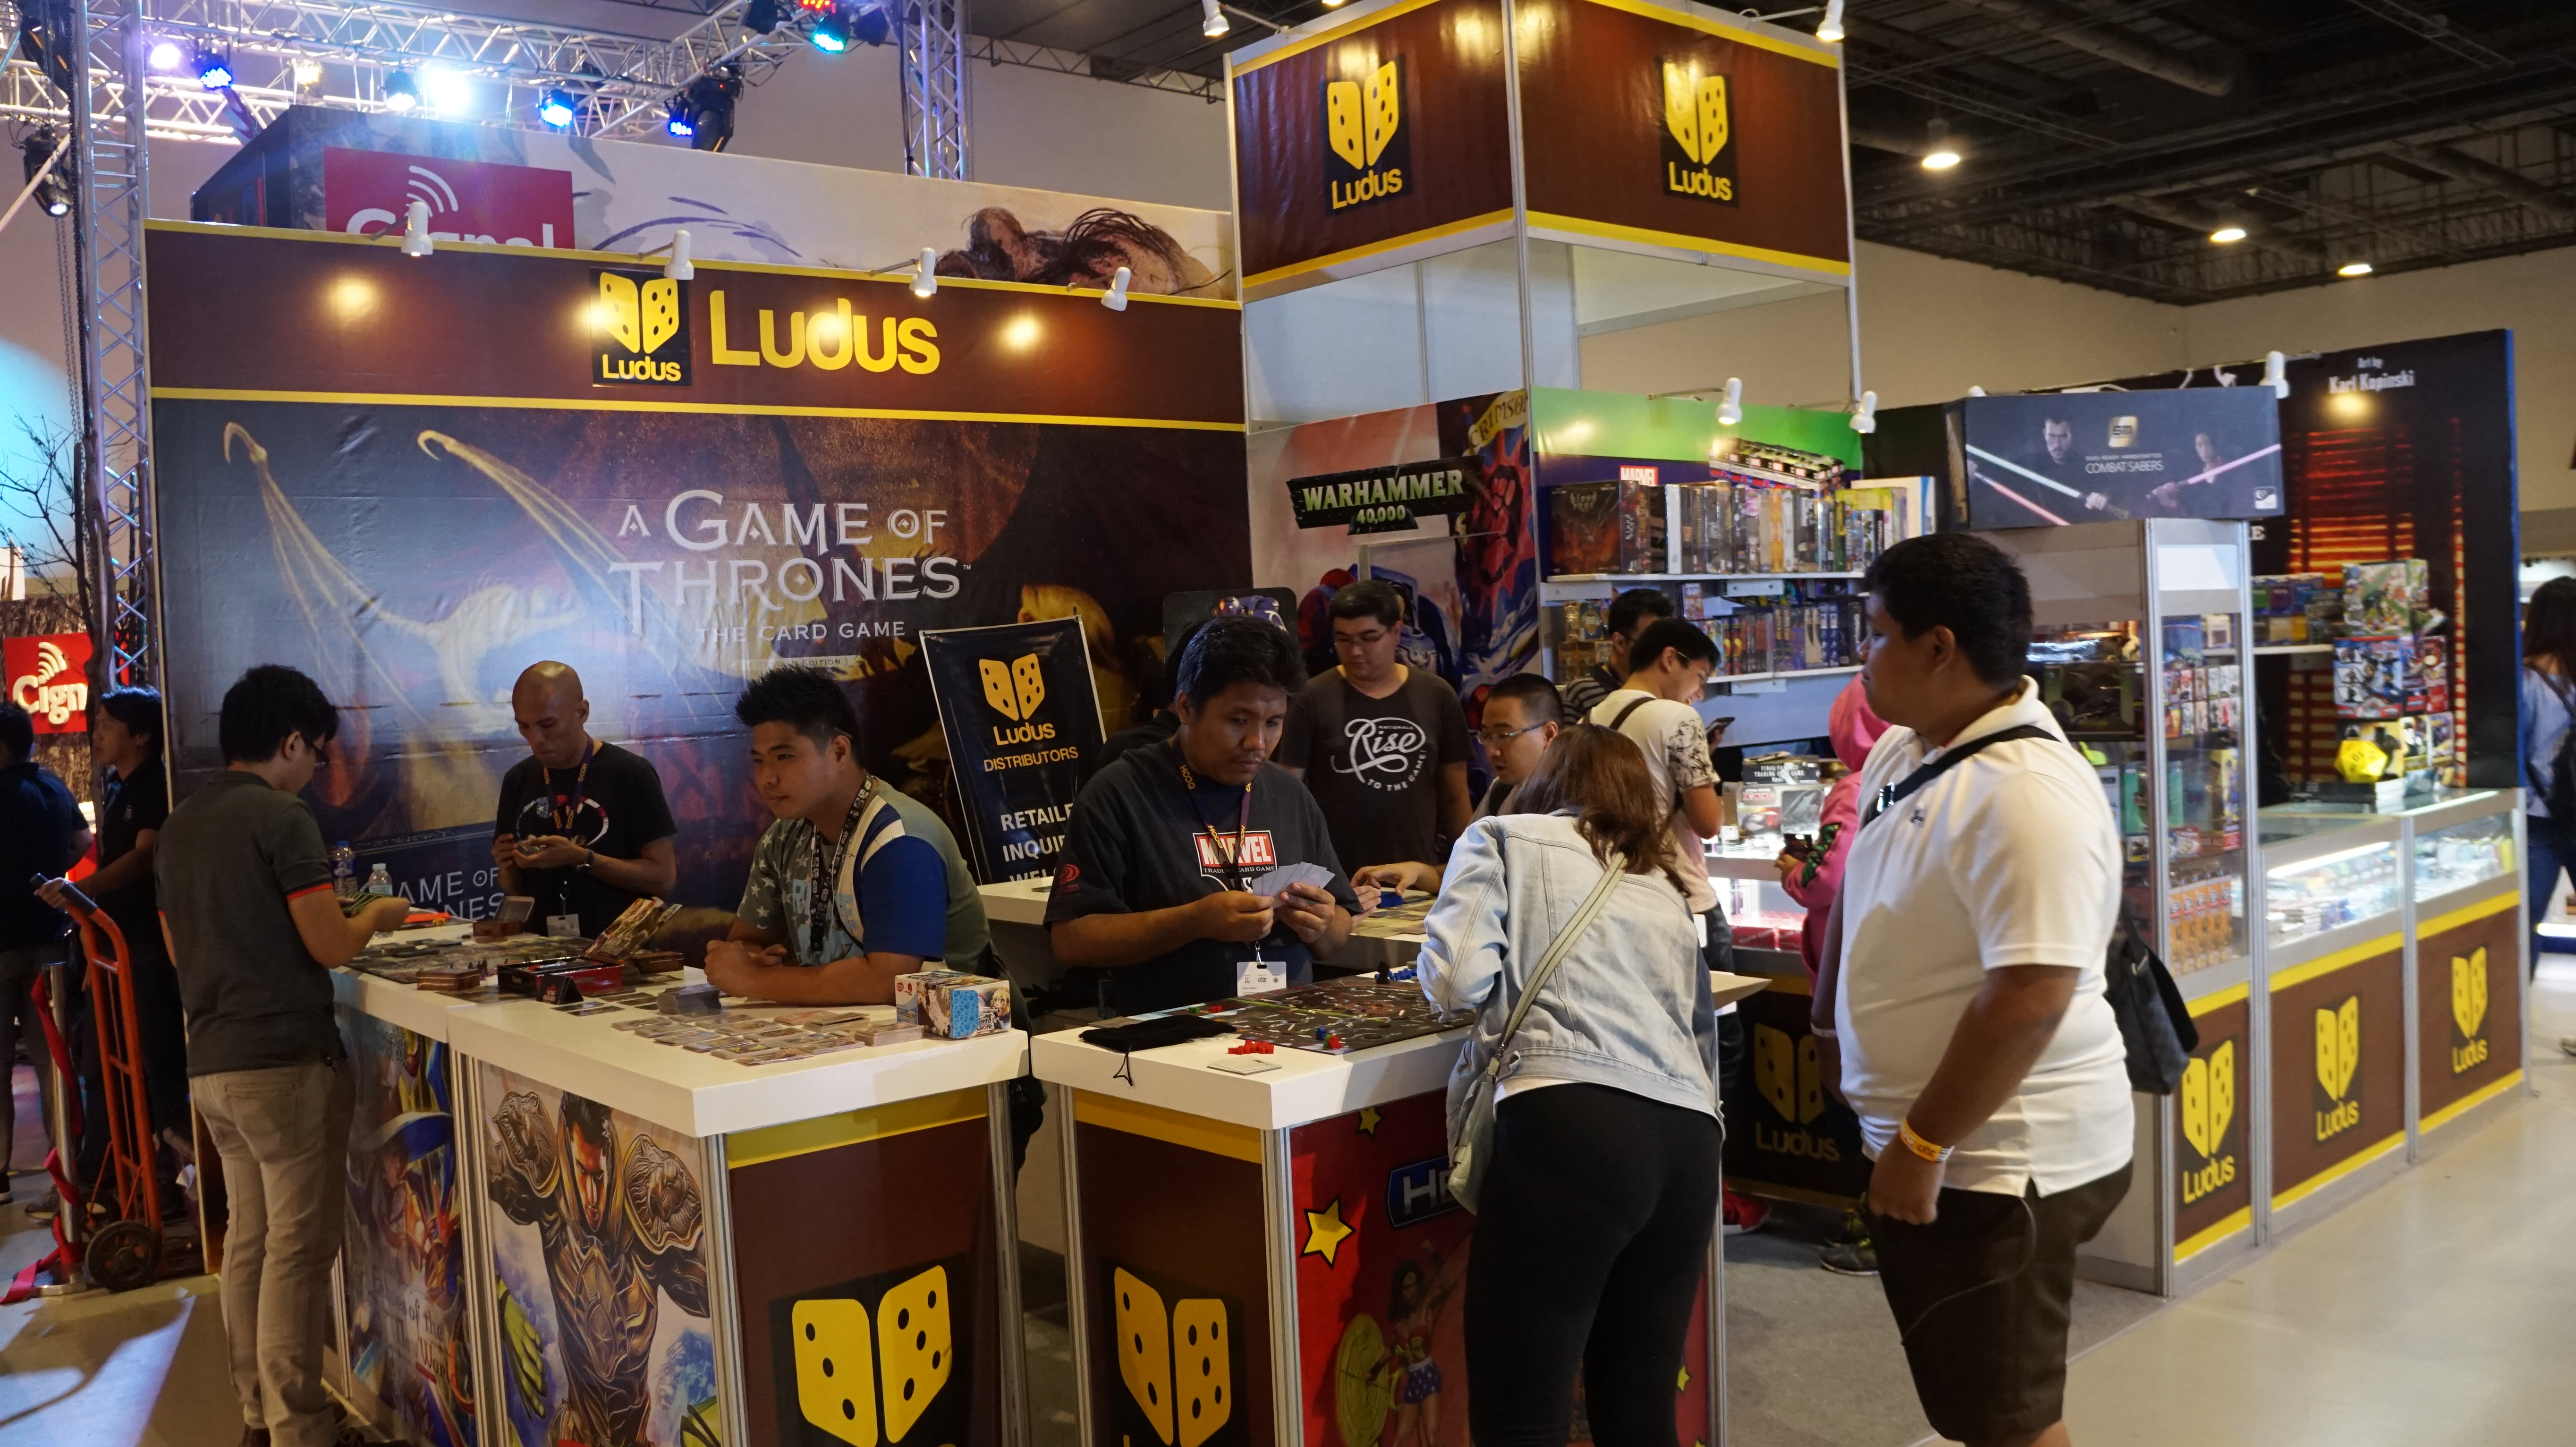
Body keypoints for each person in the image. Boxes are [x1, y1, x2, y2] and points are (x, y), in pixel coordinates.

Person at [1812, 533, 2131, 1447]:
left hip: (2000, 1158)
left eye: (1877, 631)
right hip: (1939, 1145)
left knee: (2009, 1421)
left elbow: (2030, 994)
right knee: (1973, 1403)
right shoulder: (1904, 750)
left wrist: (1922, 1140)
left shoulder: (2025, 792)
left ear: (1939, 646)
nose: (1863, 653)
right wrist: (1830, 1023)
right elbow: (1861, 889)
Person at [1415, 724, 1719, 1447]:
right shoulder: (1663, 881)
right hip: (1689, 1146)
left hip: (1571, 1124)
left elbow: (1456, 985)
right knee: (1640, 1411)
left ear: (1544, 782)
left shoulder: (1502, 837)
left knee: (1523, 1416)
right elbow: (1701, 1030)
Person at [159, 665, 414, 1447]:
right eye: (317, 752)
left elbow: (178, 951)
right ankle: (300, 1428)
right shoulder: (281, 816)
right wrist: (377, 914)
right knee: (297, 1254)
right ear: (293, 740)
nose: (318, 770)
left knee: (250, 1241)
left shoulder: (181, 824)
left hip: (213, 1065)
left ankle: (257, 1415)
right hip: (285, 1063)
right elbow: (331, 942)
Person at [1048, 615, 1360, 1015]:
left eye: (1273, 723)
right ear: (1186, 707)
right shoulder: (1120, 792)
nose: (1257, 743)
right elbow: (1071, 940)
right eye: (1238, 721)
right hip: (1172, 1034)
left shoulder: (1289, 793)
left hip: (1287, 1028)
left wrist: (1322, 924)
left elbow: (1338, 931)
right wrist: (1193, 922)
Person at [702, 665, 989, 1004]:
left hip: (960, 1027)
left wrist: (754, 980)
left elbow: (890, 983)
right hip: (847, 1027)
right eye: (758, 761)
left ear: (839, 751)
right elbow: (746, 943)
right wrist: (751, 960)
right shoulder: (782, 838)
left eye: (784, 756)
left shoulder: (899, 839)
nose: (767, 778)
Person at [36, 687, 188, 1207]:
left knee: (153, 1067)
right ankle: (108, 1175)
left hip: (144, 945)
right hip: (113, 947)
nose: (96, 734)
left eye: (106, 725)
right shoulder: (119, 787)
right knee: (106, 1067)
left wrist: (81, 890)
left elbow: (144, 857)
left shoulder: (154, 785)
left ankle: (169, 1184)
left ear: (141, 735)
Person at [1772, 677, 1886, 1276]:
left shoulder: (1855, 786)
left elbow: (1826, 878)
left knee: (1847, 1098)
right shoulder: (1915, 774)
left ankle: (1872, 1220)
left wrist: (1793, 870)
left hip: (1844, 971)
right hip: (1885, 964)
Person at [1277, 579, 1472, 877]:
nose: (1355, 651)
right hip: (1337, 877)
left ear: (1396, 632)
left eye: (1369, 638)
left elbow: (1455, 795)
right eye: (1343, 639)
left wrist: (1468, 867)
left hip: (1417, 874)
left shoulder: (1437, 695)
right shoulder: (1310, 699)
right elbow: (1288, 795)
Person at [491, 662, 679, 939]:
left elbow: (663, 879)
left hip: (617, 948)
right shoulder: (518, 779)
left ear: (582, 712)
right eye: (524, 726)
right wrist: (509, 865)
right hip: (542, 945)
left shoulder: (630, 774)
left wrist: (584, 859)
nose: (535, 739)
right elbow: (514, 887)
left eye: (547, 725)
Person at [1352, 673, 1564, 897]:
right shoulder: (1501, 791)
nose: (1492, 751)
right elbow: (1469, 869)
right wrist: (1421, 872)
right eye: (1487, 736)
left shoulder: (1578, 802)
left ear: (1548, 734)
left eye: (1504, 735)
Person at [0, 699, 89, 1206]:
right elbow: (82, 840)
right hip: (50, 942)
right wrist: (51, 876)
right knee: (54, 1061)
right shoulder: (54, 787)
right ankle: (68, 1174)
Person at [2520, 577, 2576, 992]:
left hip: (2538, 817)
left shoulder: (2524, 680)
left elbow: (2515, 752)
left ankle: (2515, 1019)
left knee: (2526, 920)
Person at [1558, 587, 1674, 720]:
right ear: (1620, 642)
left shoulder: (1669, 688)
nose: (1662, 655)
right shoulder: (1580, 694)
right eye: (1652, 644)